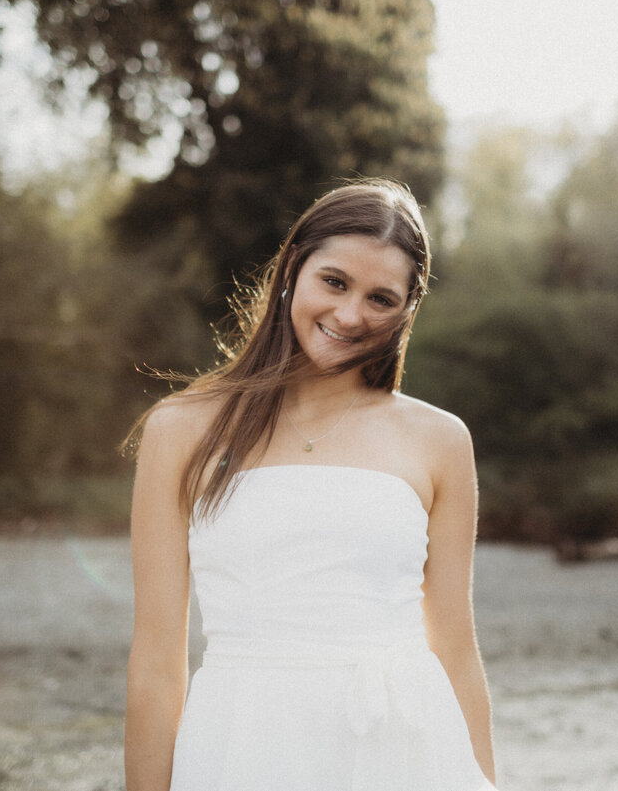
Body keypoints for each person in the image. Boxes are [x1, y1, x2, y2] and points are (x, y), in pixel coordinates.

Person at [124, 179, 497, 791]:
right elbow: (157, 665)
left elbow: (455, 648)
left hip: (403, 754)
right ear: (292, 270)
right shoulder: (181, 429)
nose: (350, 314)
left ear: (407, 310)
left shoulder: (440, 440)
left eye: (381, 297)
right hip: (241, 745)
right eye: (334, 281)